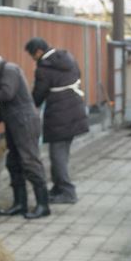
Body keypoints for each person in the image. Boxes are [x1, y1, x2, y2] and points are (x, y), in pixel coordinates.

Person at [0, 49, 50, 220]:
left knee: (30, 162)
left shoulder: (9, 70)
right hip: (15, 123)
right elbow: (4, 107)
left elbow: (6, 95)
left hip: (25, 123)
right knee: (14, 163)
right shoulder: (4, 73)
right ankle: (20, 204)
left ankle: (43, 205)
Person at [25, 37, 89, 204]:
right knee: (62, 153)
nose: (33, 59)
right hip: (75, 109)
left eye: (32, 56)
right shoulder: (68, 58)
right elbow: (78, 75)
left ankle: (68, 191)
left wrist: (29, 106)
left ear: (38, 52)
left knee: (57, 155)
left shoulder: (44, 68)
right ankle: (58, 188)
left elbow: (39, 94)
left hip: (60, 115)